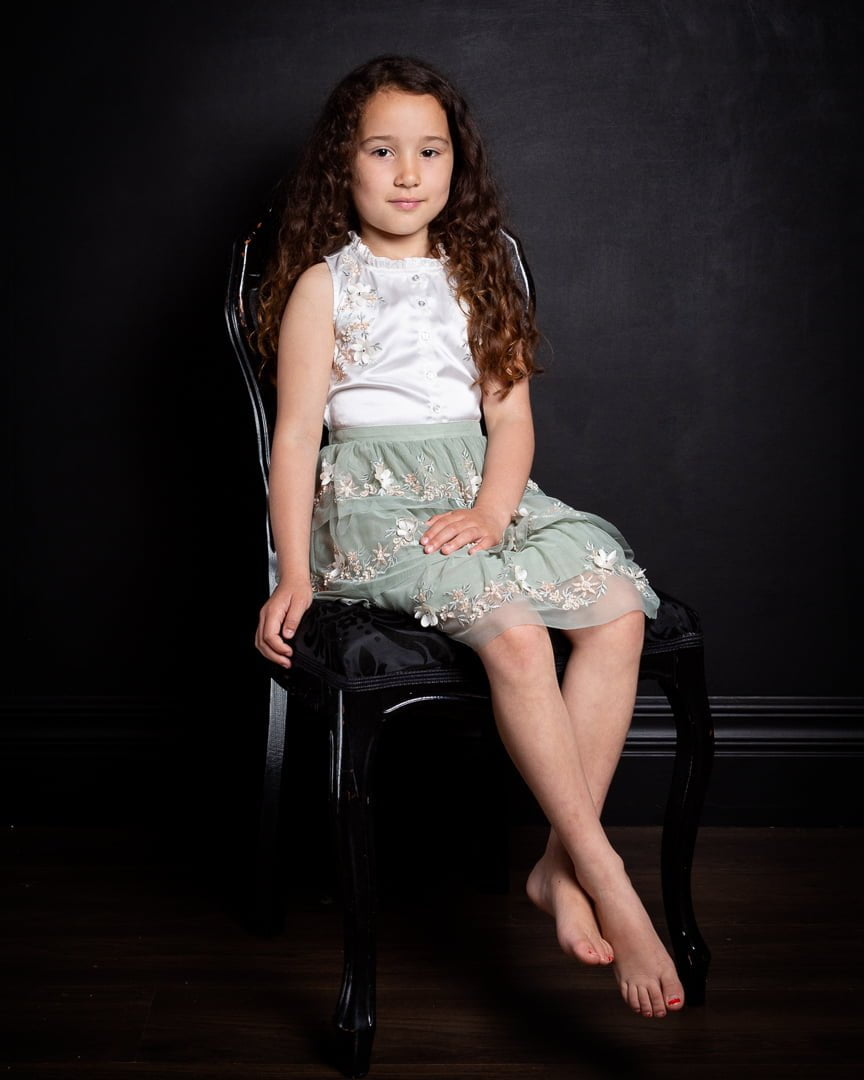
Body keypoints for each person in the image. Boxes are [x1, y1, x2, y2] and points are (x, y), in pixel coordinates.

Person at [253, 54, 685, 1021]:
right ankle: (607, 873)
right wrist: (290, 568)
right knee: (519, 633)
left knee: (615, 613)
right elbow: (292, 438)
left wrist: (495, 510)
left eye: (430, 150)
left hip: (480, 488)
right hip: (373, 499)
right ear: (343, 166)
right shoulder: (328, 286)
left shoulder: (483, 267)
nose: (408, 172)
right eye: (382, 149)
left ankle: (555, 866)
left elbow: (514, 421)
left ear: (457, 163)